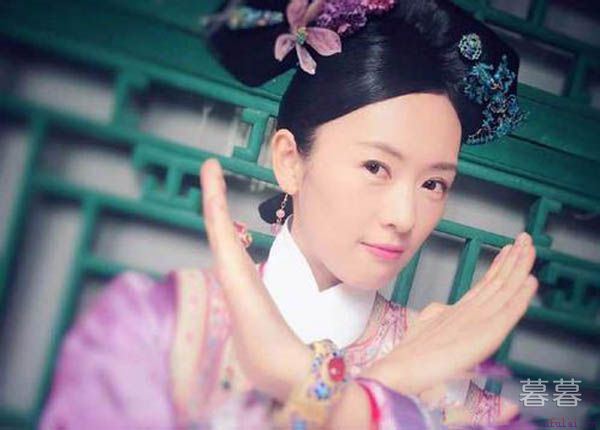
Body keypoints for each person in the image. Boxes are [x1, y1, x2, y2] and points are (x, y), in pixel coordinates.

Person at [40, 0, 539, 429]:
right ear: (289, 161)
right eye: (375, 167)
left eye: (433, 184)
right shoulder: (153, 327)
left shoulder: (445, 364)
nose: (405, 217)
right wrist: (385, 387)